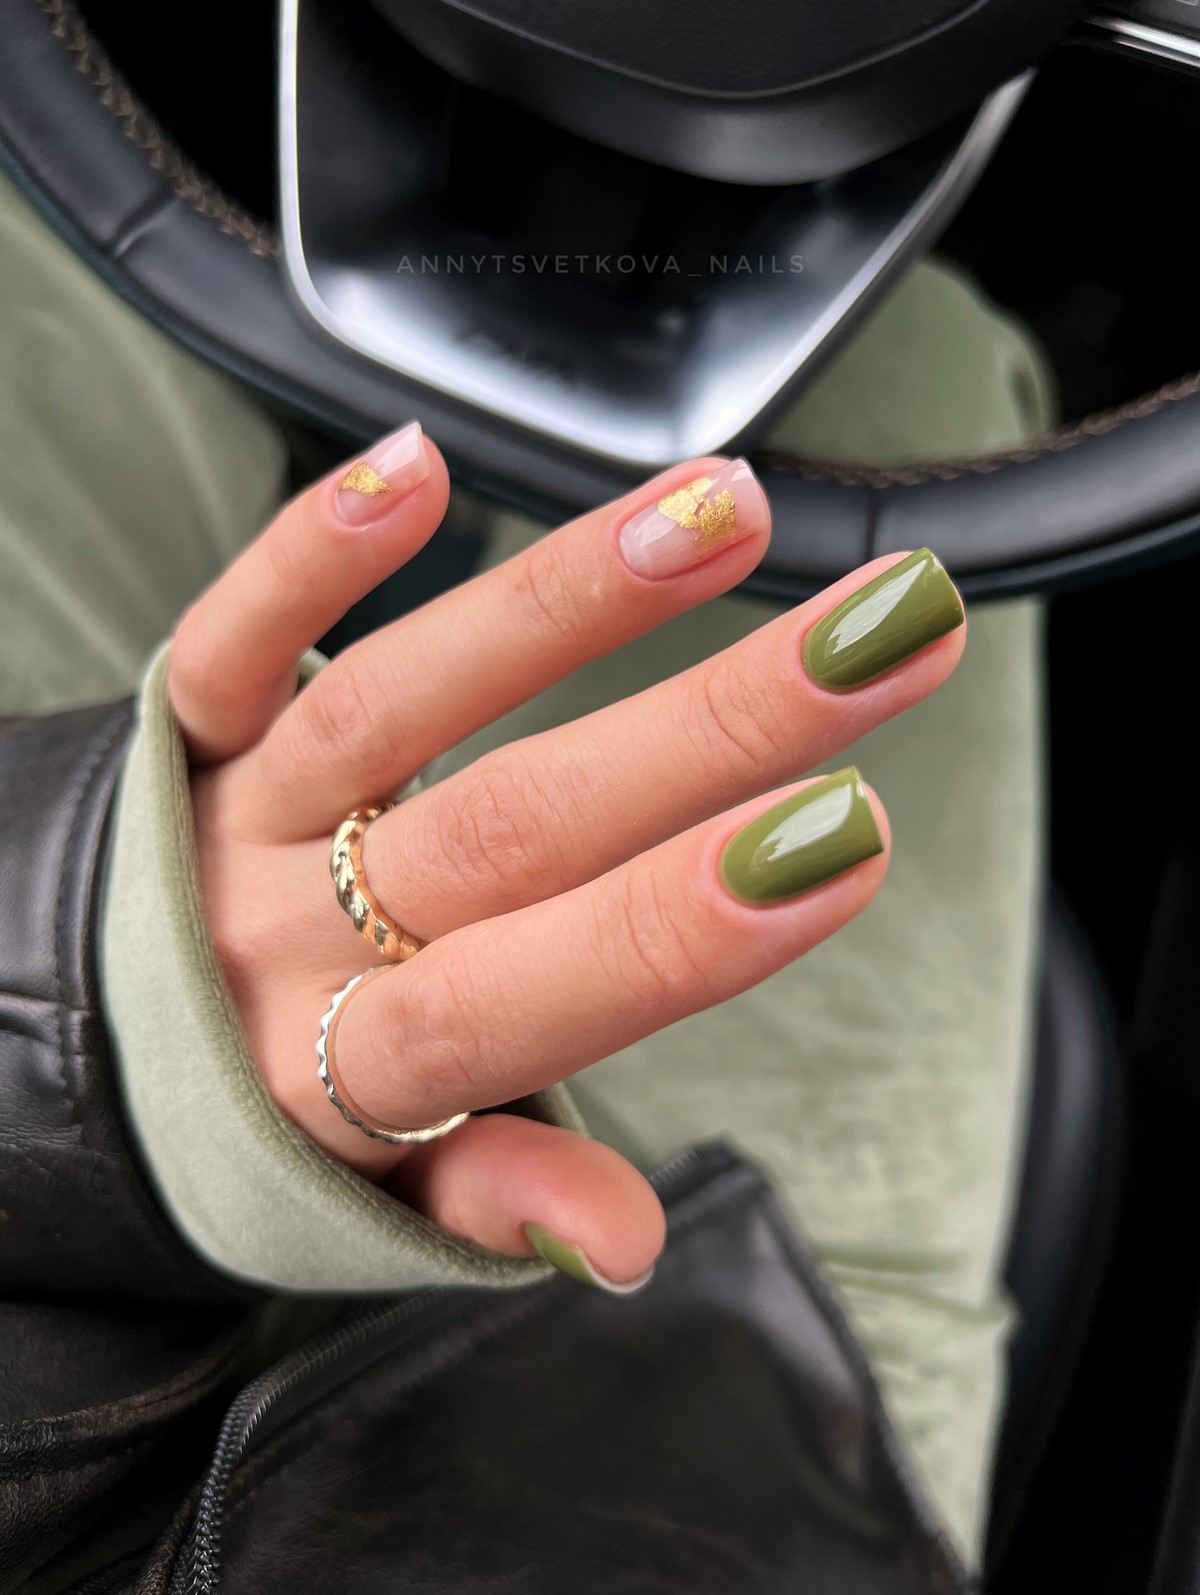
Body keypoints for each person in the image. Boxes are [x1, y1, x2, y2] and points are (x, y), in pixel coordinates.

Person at [0, 168, 1049, 1584]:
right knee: (899, 351)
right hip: (705, 1426)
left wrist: (73, 985)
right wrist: (127, 1090)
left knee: (70, 209)